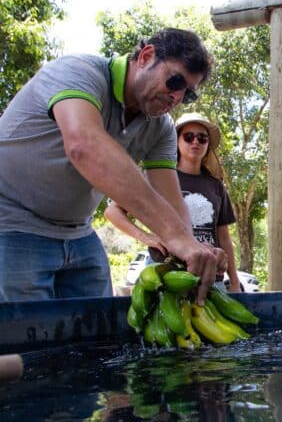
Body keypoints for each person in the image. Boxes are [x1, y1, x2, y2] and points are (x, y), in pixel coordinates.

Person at [0, 28, 225, 304]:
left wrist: (190, 250)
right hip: (11, 223)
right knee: (32, 339)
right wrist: (176, 235)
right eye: (175, 82)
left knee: (99, 339)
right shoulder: (77, 72)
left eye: (187, 94)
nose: (176, 97)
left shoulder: (161, 129)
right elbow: (85, 146)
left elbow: (171, 199)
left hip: (78, 232)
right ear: (145, 56)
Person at [105, 112, 241, 292]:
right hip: (166, 273)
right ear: (176, 141)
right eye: (188, 136)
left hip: (209, 274)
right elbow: (112, 211)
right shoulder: (159, 176)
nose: (195, 142)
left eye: (202, 138)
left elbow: (224, 237)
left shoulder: (216, 186)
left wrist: (235, 282)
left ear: (208, 145)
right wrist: (145, 237)